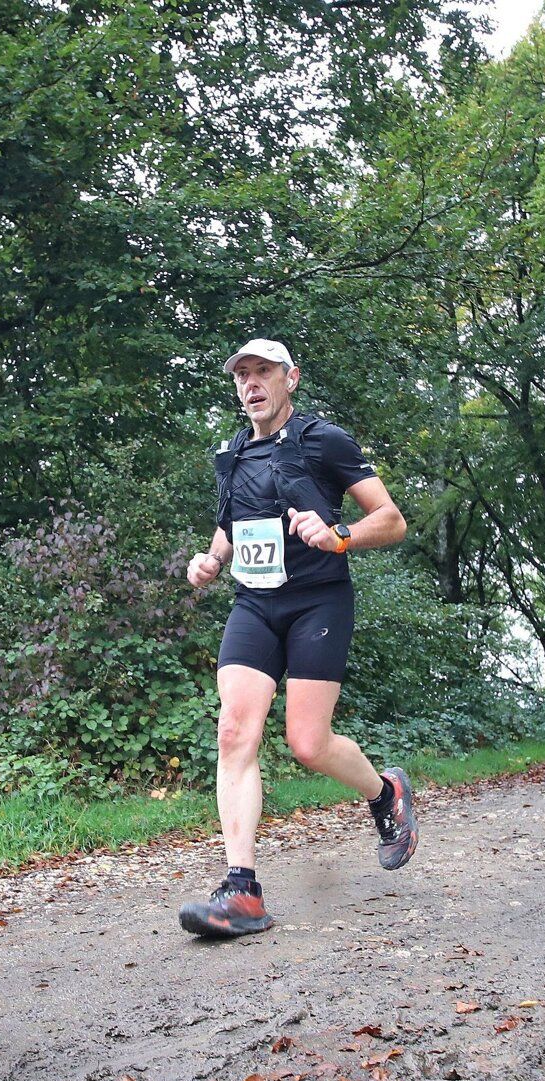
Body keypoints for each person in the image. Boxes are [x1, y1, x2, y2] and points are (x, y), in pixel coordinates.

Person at [177, 338, 417, 940]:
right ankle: (242, 890)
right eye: (242, 376)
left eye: (263, 373)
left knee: (307, 743)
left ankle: (385, 792)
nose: (251, 384)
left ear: (291, 379)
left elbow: (391, 520)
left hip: (317, 600)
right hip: (254, 604)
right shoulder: (233, 453)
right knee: (234, 730)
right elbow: (232, 526)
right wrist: (209, 560)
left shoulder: (324, 441)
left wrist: (338, 534)